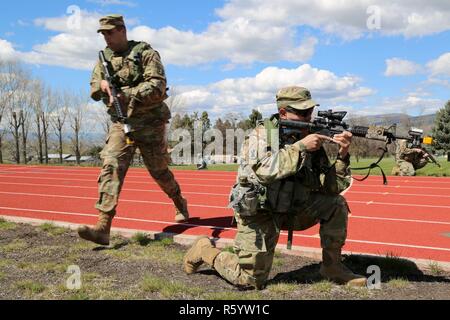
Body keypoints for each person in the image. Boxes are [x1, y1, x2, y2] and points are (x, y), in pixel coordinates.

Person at [183, 86, 367, 289]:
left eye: (310, 112)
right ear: (282, 112)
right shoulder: (261, 135)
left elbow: (332, 189)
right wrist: (301, 147)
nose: (308, 117)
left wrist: (342, 155)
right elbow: (265, 170)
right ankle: (204, 250)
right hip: (260, 212)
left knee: (335, 204)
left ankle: (332, 267)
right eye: (302, 113)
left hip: (292, 207)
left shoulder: (306, 136)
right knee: (250, 281)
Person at [78, 14, 189, 246]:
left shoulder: (145, 53)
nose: (106, 37)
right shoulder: (103, 59)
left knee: (159, 171)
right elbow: (93, 88)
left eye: (110, 32)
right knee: (111, 165)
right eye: (103, 34)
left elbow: (157, 86)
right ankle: (103, 226)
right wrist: (102, 85)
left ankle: (178, 201)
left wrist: (126, 94)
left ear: (122, 30)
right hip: (121, 122)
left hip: (150, 123)